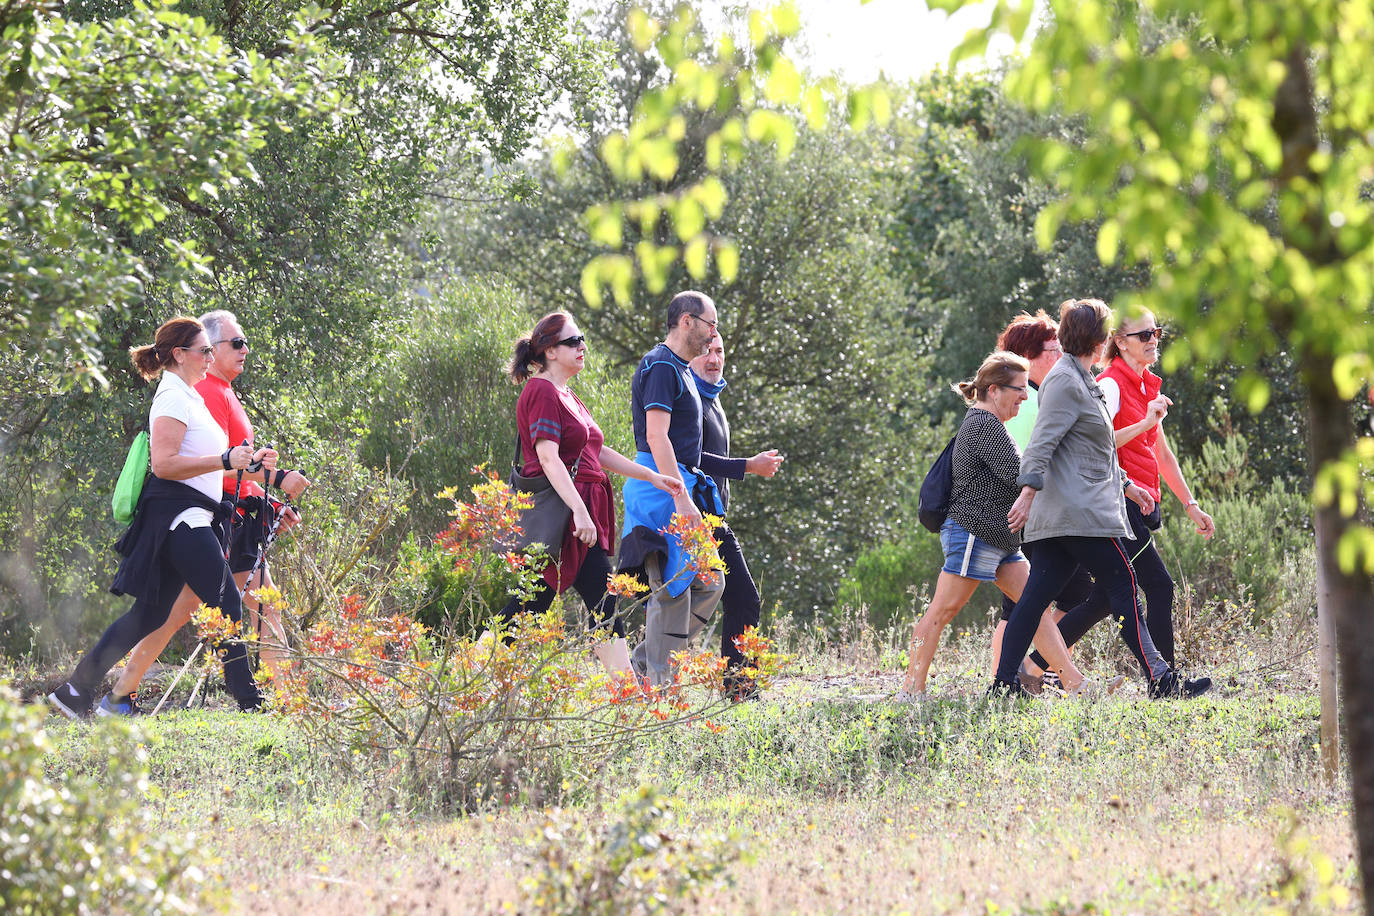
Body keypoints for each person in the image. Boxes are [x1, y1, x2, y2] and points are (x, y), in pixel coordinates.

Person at [49, 317, 275, 718]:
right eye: (204, 351)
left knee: (149, 614)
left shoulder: (189, 396)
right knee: (227, 604)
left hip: (187, 516)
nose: (210, 358)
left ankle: (74, 692)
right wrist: (225, 458)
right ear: (179, 354)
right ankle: (250, 702)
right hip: (179, 517)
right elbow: (165, 464)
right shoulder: (171, 398)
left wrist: (249, 464)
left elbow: (205, 466)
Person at [97, 310, 311, 715]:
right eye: (234, 343)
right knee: (263, 605)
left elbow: (234, 465)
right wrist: (278, 479)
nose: (244, 349)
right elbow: (217, 465)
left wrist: (271, 498)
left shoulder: (221, 392)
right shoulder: (208, 393)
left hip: (224, 516)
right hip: (219, 518)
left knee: (181, 612)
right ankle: (281, 702)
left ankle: (119, 696)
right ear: (202, 350)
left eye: (243, 342)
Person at [992, 299, 1195, 699]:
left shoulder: (1081, 378)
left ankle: (1004, 686)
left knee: (1033, 601)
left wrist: (1126, 484)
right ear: (1098, 339)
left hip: (1074, 511)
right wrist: (1028, 493)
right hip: (1077, 512)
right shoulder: (1066, 381)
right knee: (1123, 583)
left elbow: (1092, 448)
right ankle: (1163, 680)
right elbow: (1042, 444)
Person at [897, 352, 1091, 700]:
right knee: (943, 610)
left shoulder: (992, 425)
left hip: (1001, 540)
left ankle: (1076, 683)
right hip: (974, 533)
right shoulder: (983, 425)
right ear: (993, 390)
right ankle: (911, 691)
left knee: (1036, 608)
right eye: (1018, 389)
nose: (1025, 395)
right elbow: (1021, 475)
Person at [499, 312, 684, 676]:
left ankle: (625, 693)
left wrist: (652, 475)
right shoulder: (540, 390)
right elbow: (548, 458)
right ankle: (466, 675)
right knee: (540, 602)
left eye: (582, 339)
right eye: (573, 341)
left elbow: (594, 452)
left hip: (579, 518)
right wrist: (580, 512)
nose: (583, 347)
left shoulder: (567, 394)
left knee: (592, 601)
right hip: (563, 518)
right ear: (551, 351)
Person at [620, 291, 736, 686]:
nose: (713, 333)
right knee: (673, 590)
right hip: (660, 490)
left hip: (679, 485)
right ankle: (660, 690)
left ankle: (643, 662)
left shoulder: (683, 369)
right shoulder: (660, 367)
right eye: (710, 324)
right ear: (687, 321)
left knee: (710, 581)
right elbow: (657, 437)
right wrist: (681, 498)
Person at [989, 311, 1095, 690]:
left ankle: (1026, 674)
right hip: (1027, 515)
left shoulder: (1035, 396)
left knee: (1035, 599)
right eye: (1052, 350)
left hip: (1033, 514)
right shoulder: (1030, 403)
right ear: (1026, 356)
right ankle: (1015, 678)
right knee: (1027, 602)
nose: (1059, 356)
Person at [688, 333, 783, 698]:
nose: (714, 359)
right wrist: (748, 466)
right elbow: (690, 457)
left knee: (722, 598)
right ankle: (740, 691)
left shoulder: (712, 398)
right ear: (690, 353)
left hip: (713, 517)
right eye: (706, 351)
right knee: (741, 598)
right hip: (695, 518)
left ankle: (737, 688)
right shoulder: (691, 399)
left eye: (719, 351)